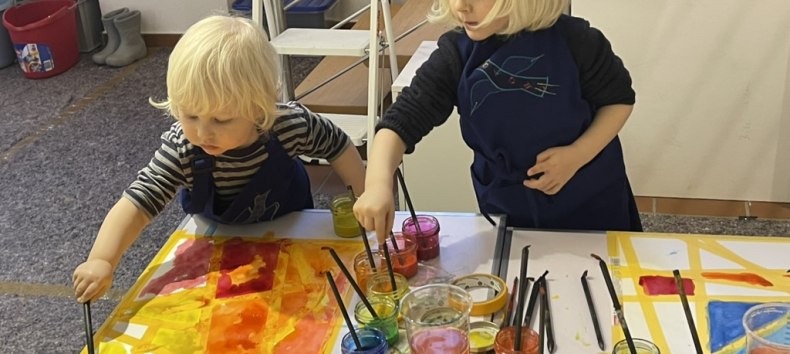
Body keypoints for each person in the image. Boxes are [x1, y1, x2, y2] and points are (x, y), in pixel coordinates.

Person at [72, 15, 366, 303]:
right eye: (190, 115)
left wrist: (363, 195)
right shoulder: (183, 147)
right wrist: (102, 259)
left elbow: (337, 144)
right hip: (219, 241)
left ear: (259, 108)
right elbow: (138, 202)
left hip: (292, 230)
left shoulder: (288, 125)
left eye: (221, 120)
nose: (202, 132)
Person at [354, 0, 642, 244]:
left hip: (592, 200)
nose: (460, 6)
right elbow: (399, 122)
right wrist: (378, 182)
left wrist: (578, 154)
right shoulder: (456, 55)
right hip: (508, 206)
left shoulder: (577, 41)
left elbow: (619, 100)